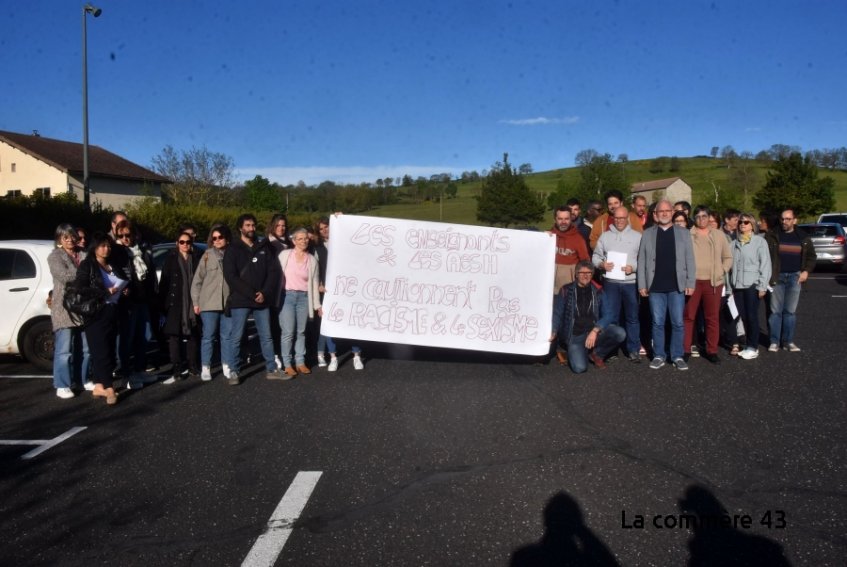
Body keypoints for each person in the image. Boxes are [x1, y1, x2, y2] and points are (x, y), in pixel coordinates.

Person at [223, 213, 284, 384]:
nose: (251, 228)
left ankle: (271, 368)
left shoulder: (264, 246)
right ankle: (234, 371)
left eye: (253, 225)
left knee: (266, 336)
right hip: (241, 300)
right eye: (248, 225)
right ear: (240, 228)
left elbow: (273, 272)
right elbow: (231, 276)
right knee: (236, 336)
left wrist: (265, 292)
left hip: (262, 299)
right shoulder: (232, 249)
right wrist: (251, 293)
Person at [637, 199, 695, 370]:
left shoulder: (683, 233)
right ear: (655, 214)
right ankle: (659, 355)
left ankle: (677, 355)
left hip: (677, 285)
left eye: (667, 211)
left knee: (677, 322)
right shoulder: (647, 233)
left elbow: (690, 259)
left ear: (672, 212)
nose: (664, 214)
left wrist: (690, 281)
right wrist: (642, 284)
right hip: (655, 286)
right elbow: (642, 261)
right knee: (658, 322)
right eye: (660, 211)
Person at [73, 233, 128, 405]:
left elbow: (123, 281)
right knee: (101, 350)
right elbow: (80, 287)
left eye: (108, 246)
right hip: (96, 312)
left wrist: (124, 290)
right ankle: (109, 387)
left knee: (109, 349)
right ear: (95, 248)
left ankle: (98, 385)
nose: (106, 249)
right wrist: (105, 291)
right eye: (103, 246)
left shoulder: (112, 265)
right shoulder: (87, 264)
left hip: (113, 310)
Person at [551, 261, 626, 373]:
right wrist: (554, 331)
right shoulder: (566, 290)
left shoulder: (598, 290)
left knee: (620, 333)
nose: (585, 276)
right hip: (575, 336)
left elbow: (609, 314)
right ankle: (576, 350)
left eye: (589, 273)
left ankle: (597, 354)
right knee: (579, 368)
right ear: (576, 274)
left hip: (593, 333)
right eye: (582, 273)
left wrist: (595, 330)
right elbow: (557, 312)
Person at [313, 216, 364, 371]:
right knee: (330, 325)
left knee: (351, 323)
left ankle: (357, 356)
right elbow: (315, 272)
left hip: (347, 290)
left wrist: (341, 218)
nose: (324, 230)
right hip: (328, 293)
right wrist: (319, 286)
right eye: (321, 229)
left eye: (326, 226)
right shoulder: (318, 249)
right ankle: (333, 357)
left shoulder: (345, 242)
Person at [683, 206, 733, 364]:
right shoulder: (687, 235)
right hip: (693, 281)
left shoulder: (718, 235)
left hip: (713, 282)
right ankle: (685, 349)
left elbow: (728, 257)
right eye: (697, 217)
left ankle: (712, 350)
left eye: (704, 216)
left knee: (712, 318)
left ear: (708, 217)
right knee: (688, 317)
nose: (701, 219)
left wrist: (721, 271)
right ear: (694, 218)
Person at [592, 207, 642, 361]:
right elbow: (595, 256)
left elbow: (644, 259)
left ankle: (633, 349)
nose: (620, 221)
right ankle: (611, 350)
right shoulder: (605, 237)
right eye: (617, 218)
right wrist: (602, 265)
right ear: (613, 218)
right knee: (611, 317)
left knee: (632, 317)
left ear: (628, 218)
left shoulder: (638, 237)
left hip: (630, 283)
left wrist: (633, 267)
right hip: (611, 283)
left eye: (623, 218)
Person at [48, 224, 91, 398]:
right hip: (64, 308)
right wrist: (84, 273)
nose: (71, 240)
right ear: (59, 240)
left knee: (86, 348)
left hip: (83, 307)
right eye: (66, 237)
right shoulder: (55, 256)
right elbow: (64, 276)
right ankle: (62, 384)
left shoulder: (83, 254)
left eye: (72, 236)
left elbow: (94, 270)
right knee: (64, 349)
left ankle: (83, 379)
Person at [113, 219, 158, 388]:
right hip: (127, 303)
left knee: (144, 336)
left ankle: (139, 370)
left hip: (143, 299)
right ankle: (126, 374)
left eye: (128, 234)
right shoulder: (117, 252)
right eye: (121, 235)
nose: (125, 238)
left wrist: (153, 293)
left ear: (134, 234)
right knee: (127, 339)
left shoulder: (142, 250)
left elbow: (150, 274)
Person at [768, 208, 816, 352]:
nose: (784, 222)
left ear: (795, 220)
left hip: (795, 277)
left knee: (790, 312)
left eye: (788, 219)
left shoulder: (803, 237)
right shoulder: (772, 235)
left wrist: (806, 271)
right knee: (775, 311)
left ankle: (788, 341)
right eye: (782, 219)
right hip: (777, 276)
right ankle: (774, 341)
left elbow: (812, 257)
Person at [159, 231, 202, 383]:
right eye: (182, 242)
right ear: (177, 243)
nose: (185, 245)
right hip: (174, 302)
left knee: (193, 335)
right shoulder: (170, 259)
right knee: (174, 336)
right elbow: (164, 283)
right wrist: (162, 306)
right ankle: (177, 367)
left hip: (193, 302)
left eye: (188, 242)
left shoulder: (196, 258)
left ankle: (193, 365)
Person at [278, 228, 322, 376]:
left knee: (301, 332)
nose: (304, 241)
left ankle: (300, 361)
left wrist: (317, 305)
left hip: (304, 297)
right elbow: (275, 276)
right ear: (294, 240)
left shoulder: (312, 259)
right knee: (288, 332)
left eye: (306, 239)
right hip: (287, 296)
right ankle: (287, 363)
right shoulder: (285, 255)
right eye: (300, 239)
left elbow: (314, 284)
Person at [191, 223, 233, 382]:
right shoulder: (207, 255)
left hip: (228, 302)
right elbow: (197, 281)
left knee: (227, 336)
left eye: (220, 237)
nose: (217, 240)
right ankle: (206, 366)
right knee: (208, 336)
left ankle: (227, 364)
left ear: (227, 238)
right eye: (214, 238)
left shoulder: (233, 254)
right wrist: (196, 302)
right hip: (208, 303)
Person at [728, 213, 772, 360]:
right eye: (740, 222)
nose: (742, 224)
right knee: (744, 317)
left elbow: (765, 265)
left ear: (752, 225)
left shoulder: (760, 242)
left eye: (746, 222)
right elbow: (729, 266)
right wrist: (730, 286)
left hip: (752, 284)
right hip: (737, 285)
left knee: (752, 316)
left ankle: (753, 347)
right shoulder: (733, 244)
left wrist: (762, 286)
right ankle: (748, 345)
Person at [549, 206, 590, 295]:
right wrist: (542, 238)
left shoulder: (578, 238)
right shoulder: (549, 236)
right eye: (560, 219)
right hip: (550, 285)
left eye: (566, 219)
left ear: (571, 219)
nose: (563, 222)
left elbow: (585, 262)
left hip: (569, 287)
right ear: (555, 219)